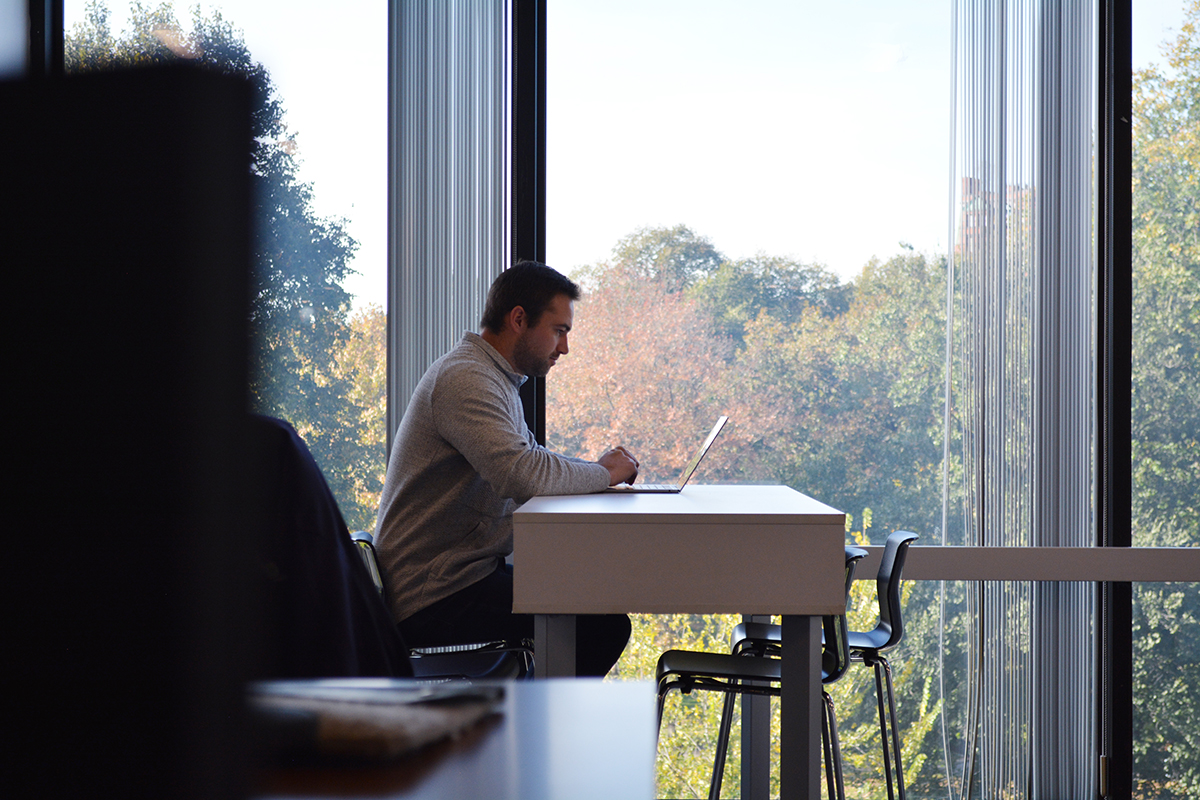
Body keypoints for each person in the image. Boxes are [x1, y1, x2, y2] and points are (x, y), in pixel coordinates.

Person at [373, 261, 639, 677]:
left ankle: (531, 729)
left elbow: (528, 461)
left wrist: (597, 472)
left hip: (458, 577)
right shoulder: (466, 379)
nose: (564, 347)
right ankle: (535, 736)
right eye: (559, 330)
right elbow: (521, 473)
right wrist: (603, 473)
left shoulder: (493, 379)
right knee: (600, 625)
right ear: (518, 319)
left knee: (592, 608)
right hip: (434, 593)